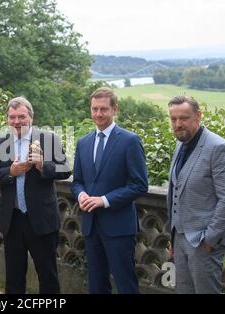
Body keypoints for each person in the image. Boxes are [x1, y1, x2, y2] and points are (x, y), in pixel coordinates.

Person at [0, 96, 70, 294]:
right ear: (7, 119)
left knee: (48, 276)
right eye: (12, 117)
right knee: (13, 277)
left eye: (21, 117)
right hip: (12, 219)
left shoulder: (48, 140)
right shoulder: (0, 143)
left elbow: (65, 169)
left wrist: (42, 166)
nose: (17, 122)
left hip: (41, 219)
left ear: (31, 117)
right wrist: (10, 172)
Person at [71, 87, 148, 294]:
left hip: (119, 227)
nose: (98, 114)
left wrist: (104, 200)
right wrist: (81, 194)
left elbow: (140, 185)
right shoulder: (83, 142)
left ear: (115, 109)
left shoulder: (130, 141)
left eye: (103, 109)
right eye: (94, 109)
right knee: (96, 285)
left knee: (126, 285)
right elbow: (77, 181)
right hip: (91, 225)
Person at [166, 95, 225, 294]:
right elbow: (175, 191)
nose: (178, 124)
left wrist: (209, 240)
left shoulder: (218, 148)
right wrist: (172, 238)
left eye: (184, 118)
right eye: (173, 119)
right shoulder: (180, 144)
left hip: (203, 244)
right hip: (179, 239)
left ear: (198, 116)